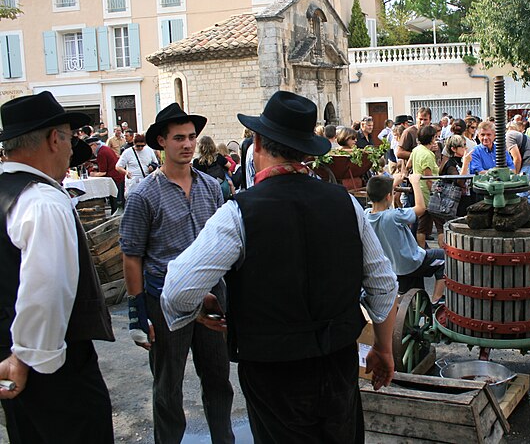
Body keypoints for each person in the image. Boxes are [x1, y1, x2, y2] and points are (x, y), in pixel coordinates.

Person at [160, 91, 398, 442]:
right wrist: (383, 348)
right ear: (306, 150)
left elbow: (178, 290)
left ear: (256, 143)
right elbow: (383, 285)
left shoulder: (238, 212)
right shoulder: (345, 204)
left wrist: (198, 309)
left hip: (273, 373)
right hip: (336, 364)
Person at [0, 91, 115, 443]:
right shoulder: (42, 201)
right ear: (54, 138)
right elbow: (46, 289)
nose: (71, 149)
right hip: (50, 368)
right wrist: (28, 357)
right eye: (69, 138)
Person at [119, 103, 234, 444]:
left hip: (211, 295)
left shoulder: (211, 188)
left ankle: (223, 440)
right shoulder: (143, 195)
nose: (187, 144)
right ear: (161, 142)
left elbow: (221, 241)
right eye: (179, 138)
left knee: (218, 379)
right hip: (164, 300)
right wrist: (137, 312)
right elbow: (131, 257)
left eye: (191, 137)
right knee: (168, 386)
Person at [367, 173, 446, 304]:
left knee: (416, 299)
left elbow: (381, 198)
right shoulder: (394, 216)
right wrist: (415, 182)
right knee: (445, 257)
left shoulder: (367, 216)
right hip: (412, 262)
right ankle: (436, 300)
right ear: (389, 196)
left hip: (393, 268)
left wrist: (394, 183)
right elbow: (421, 208)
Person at [507, 121, 530, 212]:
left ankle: (522, 216)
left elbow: (517, 159)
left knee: (522, 192)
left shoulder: (508, 137)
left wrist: (516, 174)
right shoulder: (517, 135)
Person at [86, 136, 126, 213]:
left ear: (94, 145)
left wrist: (92, 174)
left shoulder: (101, 153)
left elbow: (102, 172)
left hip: (114, 178)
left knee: (115, 202)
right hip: (118, 176)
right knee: (117, 201)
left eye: (89, 147)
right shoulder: (105, 148)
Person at [115, 133, 159, 198]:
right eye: (138, 146)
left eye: (142, 146)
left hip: (147, 181)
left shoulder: (149, 150)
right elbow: (118, 167)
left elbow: (156, 163)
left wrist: (152, 166)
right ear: (134, 144)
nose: (140, 148)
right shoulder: (127, 152)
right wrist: (126, 172)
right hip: (133, 182)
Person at [193, 135, 234, 201]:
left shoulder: (197, 162)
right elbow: (229, 165)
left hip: (207, 192)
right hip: (222, 188)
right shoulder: (218, 157)